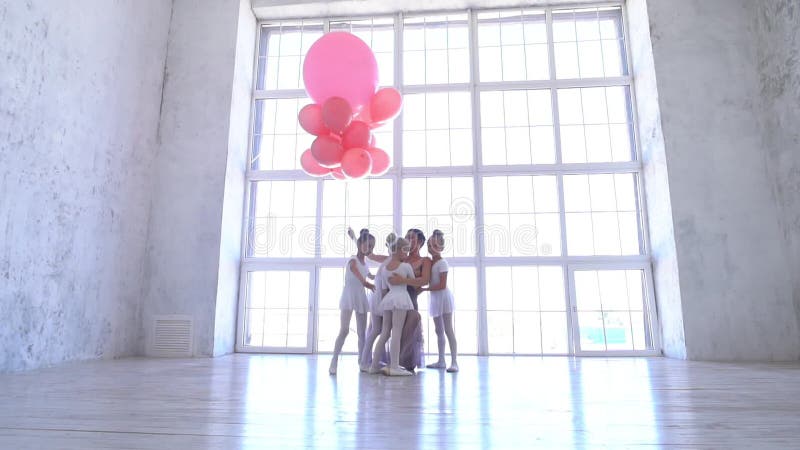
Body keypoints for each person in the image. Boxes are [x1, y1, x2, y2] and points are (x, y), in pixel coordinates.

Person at [329, 229, 375, 375]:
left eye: (372, 247)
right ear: (361, 244)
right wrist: (369, 284)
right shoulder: (352, 260)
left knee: (362, 333)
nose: (370, 249)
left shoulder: (365, 263)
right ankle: (334, 361)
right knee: (344, 330)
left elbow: (371, 276)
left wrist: (385, 273)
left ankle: (362, 362)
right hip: (349, 295)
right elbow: (361, 278)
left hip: (360, 297)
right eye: (368, 246)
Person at [369, 235, 415, 376]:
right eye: (406, 250)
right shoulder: (406, 266)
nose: (407, 254)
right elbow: (413, 282)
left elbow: (383, 289)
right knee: (396, 331)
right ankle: (394, 366)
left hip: (388, 299)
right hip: (400, 298)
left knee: (384, 332)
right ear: (399, 250)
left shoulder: (384, 269)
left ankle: (374, 366)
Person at [422, 230, 458, 372]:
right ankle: (441, 360)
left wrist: (424, 290)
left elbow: (442, 285)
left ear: (442, 248)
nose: (431, 248)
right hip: (435, 298)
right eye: (429, 246)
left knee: (448, 329)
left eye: (435, 245)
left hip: (443, 297)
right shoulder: (430, 263)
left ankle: (454, 362)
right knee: (438, 330)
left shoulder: (442, 263)